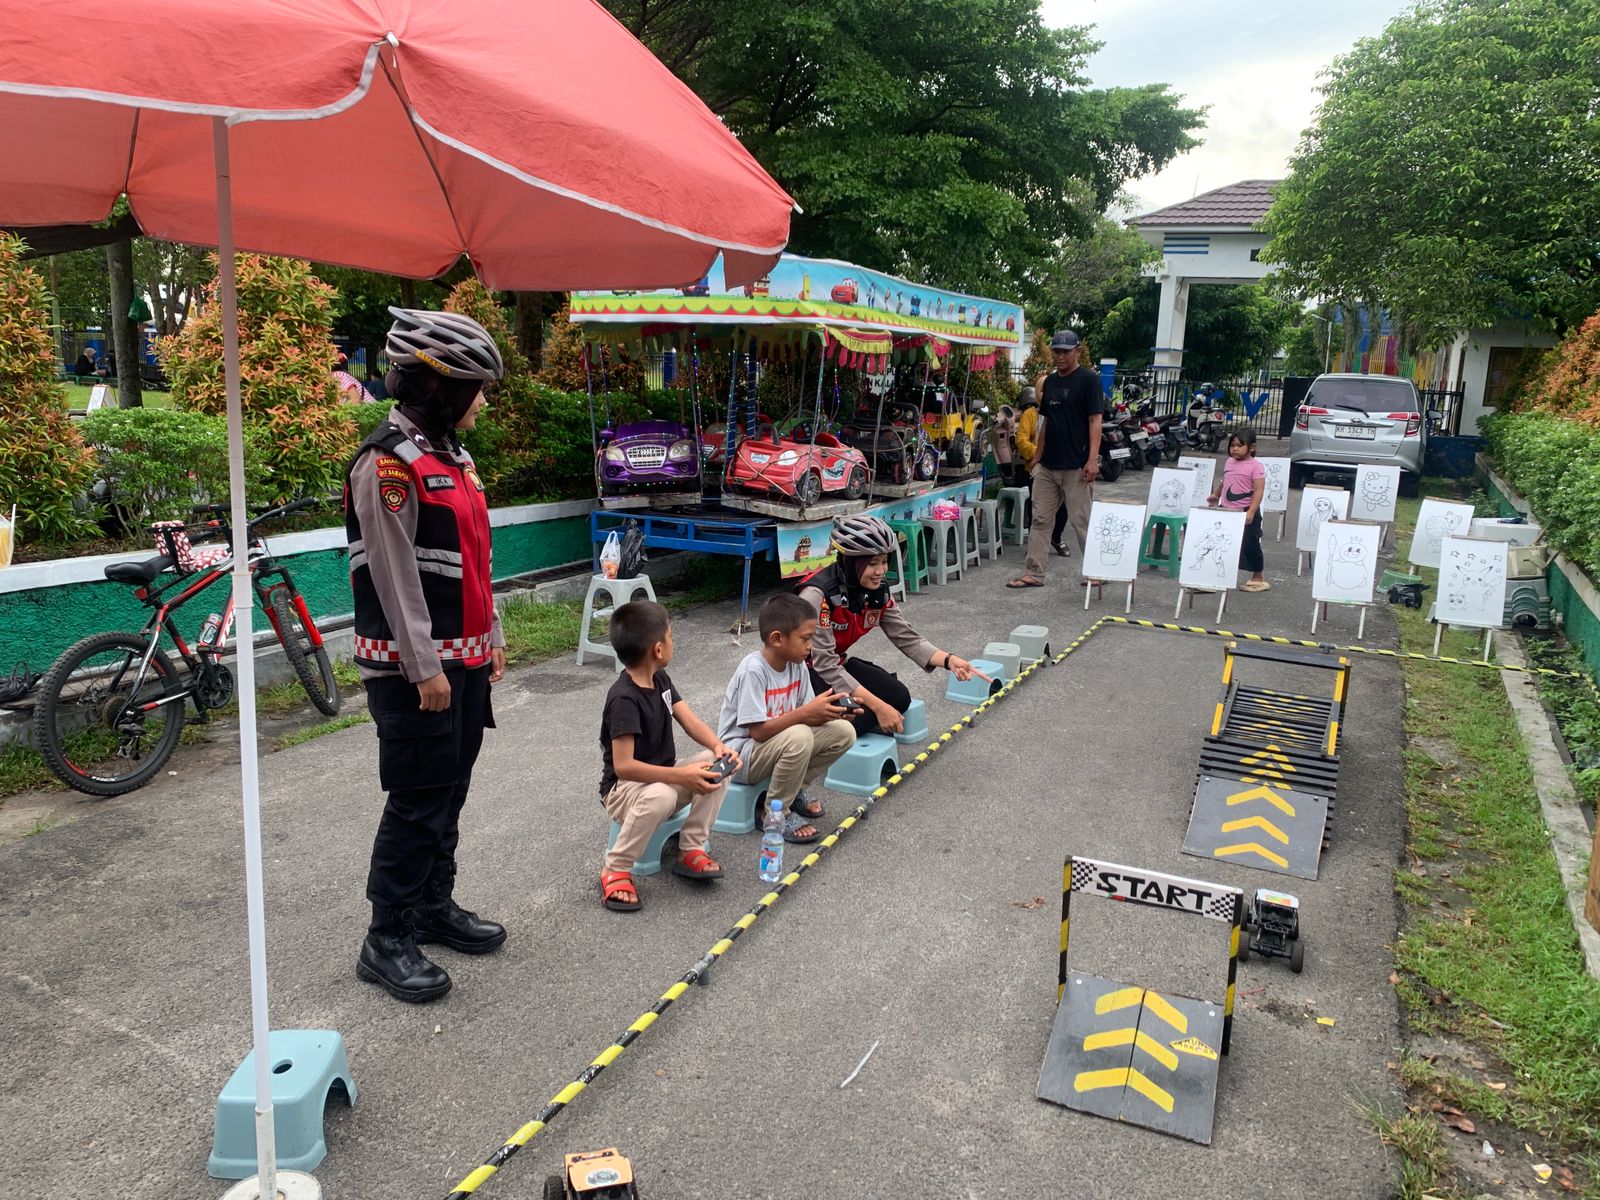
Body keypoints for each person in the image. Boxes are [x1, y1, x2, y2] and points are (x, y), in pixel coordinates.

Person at [347, 306, 507, 1004]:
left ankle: (432, 906)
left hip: (464, 665)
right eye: (477, 386)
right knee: (417, 800)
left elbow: (475, 558)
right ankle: (385, 938)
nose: (485, 401)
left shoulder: (454, 458)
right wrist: (424, 667)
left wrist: (492, 638)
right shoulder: (388, 462)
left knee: (452, 789)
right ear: (440, 386)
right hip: (417, 673)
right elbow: (393, 573)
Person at [797, 513, 976, 750]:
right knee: (862, 717)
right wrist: (880, 708)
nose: (881, 571)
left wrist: (949, 660)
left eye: (884, 561)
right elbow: (824, 664)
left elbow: (906, 636)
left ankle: (852, 716)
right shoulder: (817, 596)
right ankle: (802, 725)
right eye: (872, 564)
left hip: (838, 665)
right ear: (850, 562)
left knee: (899, 697)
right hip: (805, 673)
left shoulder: (877, 591)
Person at [598, 600, 734, 911]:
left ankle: (691, 849)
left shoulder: (660, 680)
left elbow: (689, 721)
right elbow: (624, 766)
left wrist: (718, 747)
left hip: (661, 778)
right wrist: (681, 776)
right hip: (622, 792)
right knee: (660, 795)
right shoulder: (624, 699)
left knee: (715, 768)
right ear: (658, 650)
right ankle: (615, 868)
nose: (674, 643)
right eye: (671, 637)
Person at [718, 593, 857, 845]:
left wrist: (831, 712)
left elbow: (804, 716)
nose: (810, 646)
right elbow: (758, 732)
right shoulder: (754, 670)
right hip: (740, 757)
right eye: (805, 639)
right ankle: (774, 814)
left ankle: (793, 792)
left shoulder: (797, 663)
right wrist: (805, 714)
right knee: (799, 735)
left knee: (843, 732)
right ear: (777, 639)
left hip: (777, 745)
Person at [1008, 330, 1102, 588]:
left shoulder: (1089, 380)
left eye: (1066, 351)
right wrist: (1037, 455)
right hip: (1048, 465)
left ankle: (1096, 571)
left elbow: (1095, 421)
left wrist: (1092, 460)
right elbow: (1046, 421)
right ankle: (1034, 573)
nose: (1060, 356)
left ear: (1077, 351)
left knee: (1081, 521)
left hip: (1077, 465)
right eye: (1056, 351)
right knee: (1040, 519)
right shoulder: (1049, 382)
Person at [1010, 385, 1069, 555]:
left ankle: (1056, 538)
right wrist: (1038, 454)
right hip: (1037, 468)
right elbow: (1021, 439)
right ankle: (1035, 546)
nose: (1045, 394)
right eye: (1042, 391)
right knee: (1038, 510)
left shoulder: (1061, 412)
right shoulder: (1030, 414)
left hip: (1062, 467)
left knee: (1064, 508)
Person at [1209, 428, 1269, 592]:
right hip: (1226, 510)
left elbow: (1258, 491)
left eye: (1239, 445)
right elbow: (1226, 481)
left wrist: (1250, 512)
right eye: (1232, 445)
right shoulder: (1229, 462)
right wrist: (1216, 494)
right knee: (1222, 544)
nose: (1234, 449)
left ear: (1252, 447)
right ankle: (1217, 576)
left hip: (1245, 511)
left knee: (1250, 544)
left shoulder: (1256, 466)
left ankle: (1258, 576)